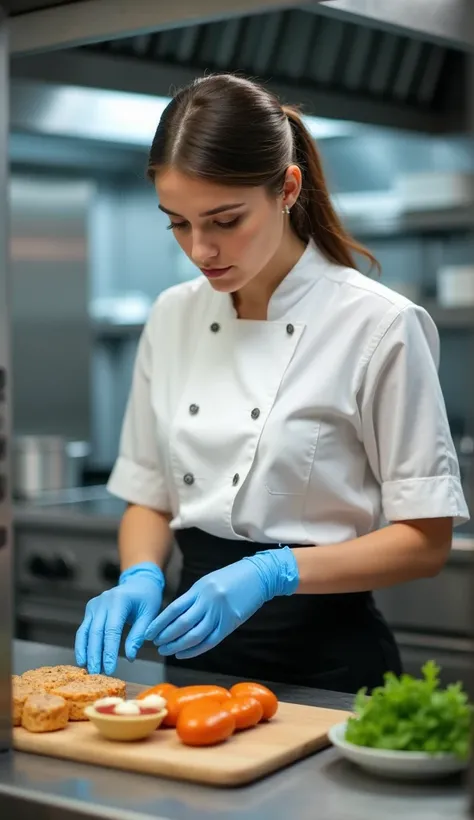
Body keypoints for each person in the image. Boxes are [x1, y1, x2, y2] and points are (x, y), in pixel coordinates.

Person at [75, 73, 469, 693]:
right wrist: (139, 575)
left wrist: (272, 573)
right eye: (177, 223)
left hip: (329, 668)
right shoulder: (173, 315)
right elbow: (148, 495)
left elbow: (425, 540)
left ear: (287, 189)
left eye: (225, 220)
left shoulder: (378, 323)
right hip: (192, 664)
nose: (201, 249)